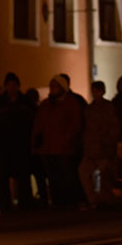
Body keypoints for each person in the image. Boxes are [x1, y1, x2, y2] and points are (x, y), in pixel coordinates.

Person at [31, 75, 82, 208]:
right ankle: (57, 202)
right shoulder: (46, 105)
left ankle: (68, 202)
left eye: (55, 86)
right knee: (53, 178)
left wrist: (69, 138)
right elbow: (38, 125)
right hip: (47, 148)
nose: (52, 89)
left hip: (64, 149)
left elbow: (75, 124)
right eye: (51, 86)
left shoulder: (71, 103)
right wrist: (35, 142)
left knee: (66, 176)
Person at [0, 72, 35, 209]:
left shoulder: (25, 102)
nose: (12, 87)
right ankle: (4, 203)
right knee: (3, 175)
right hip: (4, 144)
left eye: (14, 85)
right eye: (9, 85)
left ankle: (25, 202)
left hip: (21, 143)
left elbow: (33, 121)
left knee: (23, 174)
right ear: (6, 86)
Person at [79, 81, 121, 208]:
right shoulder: (89, 109)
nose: (94, 93)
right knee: (84, 172)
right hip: (92, 148)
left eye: (96, 91)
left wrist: (107, 141)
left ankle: (103, 200)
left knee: (104, 175)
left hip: (103, 149)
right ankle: (94, 199)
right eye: (93, 91)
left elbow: (113, 128)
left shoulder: (107, 108)